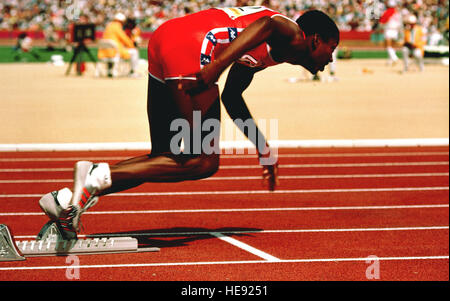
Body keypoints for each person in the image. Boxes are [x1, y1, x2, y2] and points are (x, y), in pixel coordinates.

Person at [39, 7, 339, 239]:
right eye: (332, 48)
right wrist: (216, 66)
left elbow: (232, 98)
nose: (330, 59)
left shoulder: (268, 54)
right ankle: (93, 176)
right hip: (195, 49)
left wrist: (263, 147)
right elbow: (268, 24)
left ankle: (69, 198)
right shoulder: (291, 33)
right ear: (315, 40)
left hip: (165, 39)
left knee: (164, 158)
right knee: (203, 162)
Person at [97, 12, 140, 77]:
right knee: (134, 52)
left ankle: (109, 70)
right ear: (121, 21)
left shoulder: (109, 26)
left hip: (104, 52)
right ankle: (133, 72)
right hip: (114, 52)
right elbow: (124, 38)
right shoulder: (117, 26)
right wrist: (132, 45)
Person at [379, 0, 403, 66]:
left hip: (389, 30)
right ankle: (390, 61)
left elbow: (382, 21)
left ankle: (394, 58)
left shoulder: (388, 12)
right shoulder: (397, 13)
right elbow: (400, 23)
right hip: (396, 30)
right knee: (392, 46)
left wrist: (380, 27)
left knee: (388, 46)